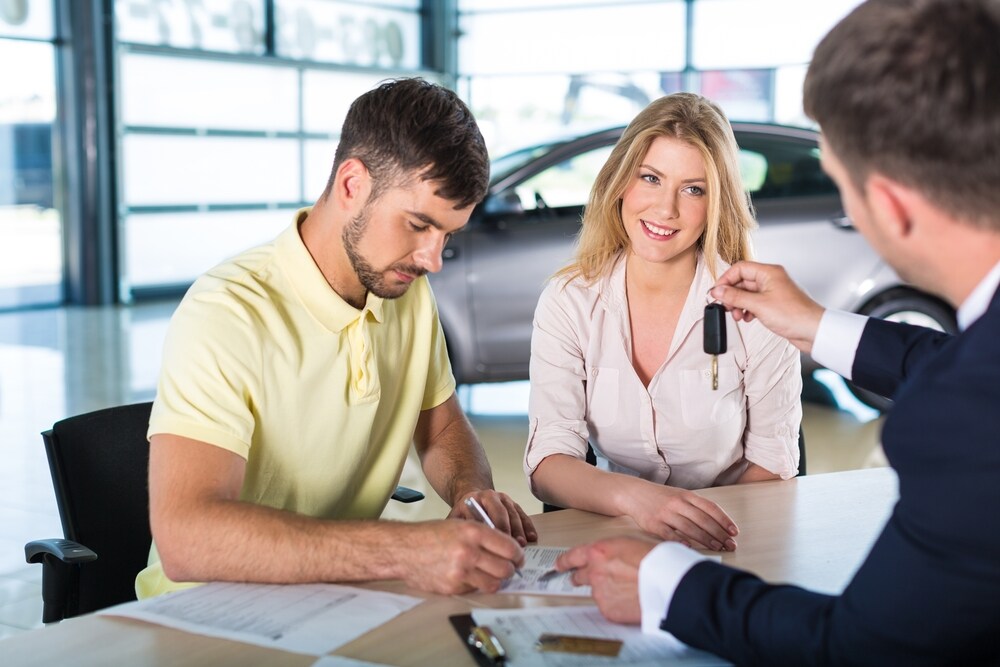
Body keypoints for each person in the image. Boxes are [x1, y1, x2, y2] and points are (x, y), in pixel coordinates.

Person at [554, 0, 1000, 664]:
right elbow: (971, 363)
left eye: (839, 186)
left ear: (890, 205)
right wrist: (815, 325)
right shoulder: (972, 380)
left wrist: (663, 582)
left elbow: (858, 648)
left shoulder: (958, 427)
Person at [138, 78, 537, 599]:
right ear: (352, 185)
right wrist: (404, 550)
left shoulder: (405, 293)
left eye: (448, 235)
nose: (433, 259)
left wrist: (471, 493)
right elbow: (187, 539)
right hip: (207, 617)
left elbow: (440, 431)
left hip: (339, 599)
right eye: (418, 224)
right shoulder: (227, 311)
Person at [524, 92, 802, 553]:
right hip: (615, 532)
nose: (666, 209)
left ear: (717, 203)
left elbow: (774, 464)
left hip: (731, 537)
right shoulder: (569, 301)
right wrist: (641, 503)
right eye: (650, 178)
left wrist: (699, 532)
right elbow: (548, 462)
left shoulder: (756, 311)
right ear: (620, 183)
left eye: (693, 189)